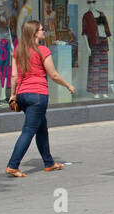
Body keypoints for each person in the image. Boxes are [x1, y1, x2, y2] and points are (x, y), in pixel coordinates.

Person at [5, 20, 75, 177]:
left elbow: (14, 75)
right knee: (28, 131)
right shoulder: (42, 50)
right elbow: (53, 74)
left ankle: (49, 163)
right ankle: (13, 165)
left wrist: (13, 94)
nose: (44, 32)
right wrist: (68, 85)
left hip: (23, 95)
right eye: (41, 30)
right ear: (34, 33)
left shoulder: (18, 51)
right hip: (38, 95)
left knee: (41, 128)